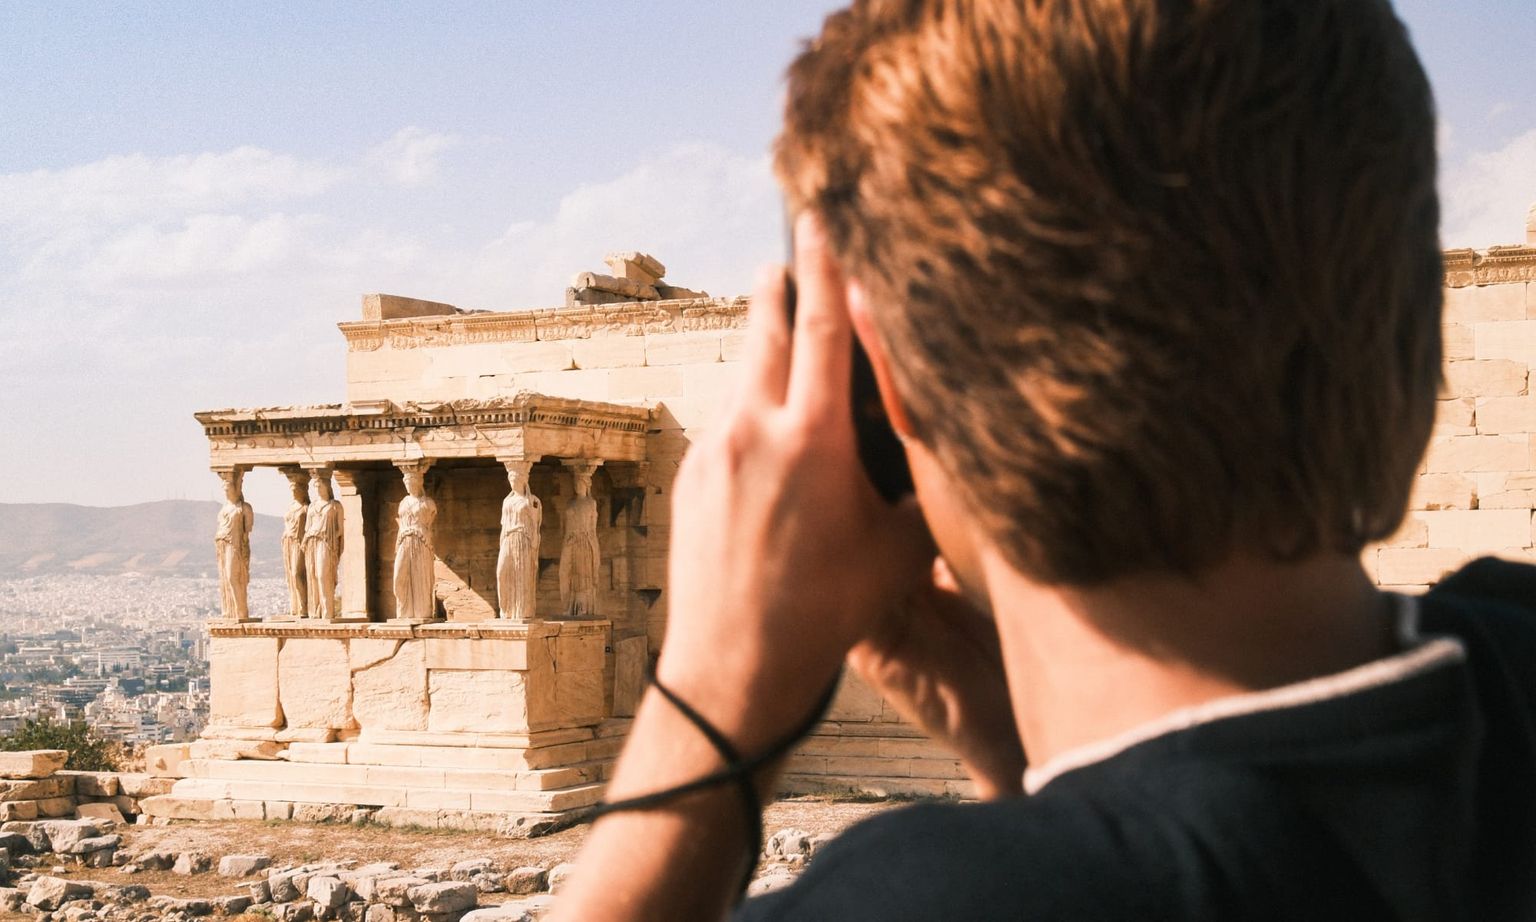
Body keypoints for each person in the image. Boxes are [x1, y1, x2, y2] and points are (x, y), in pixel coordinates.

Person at [552, 1, 1536, 919]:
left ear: (879, 384)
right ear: (1408, 320)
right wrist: (1031, 761)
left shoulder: (928, 897)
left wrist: (710, 708)